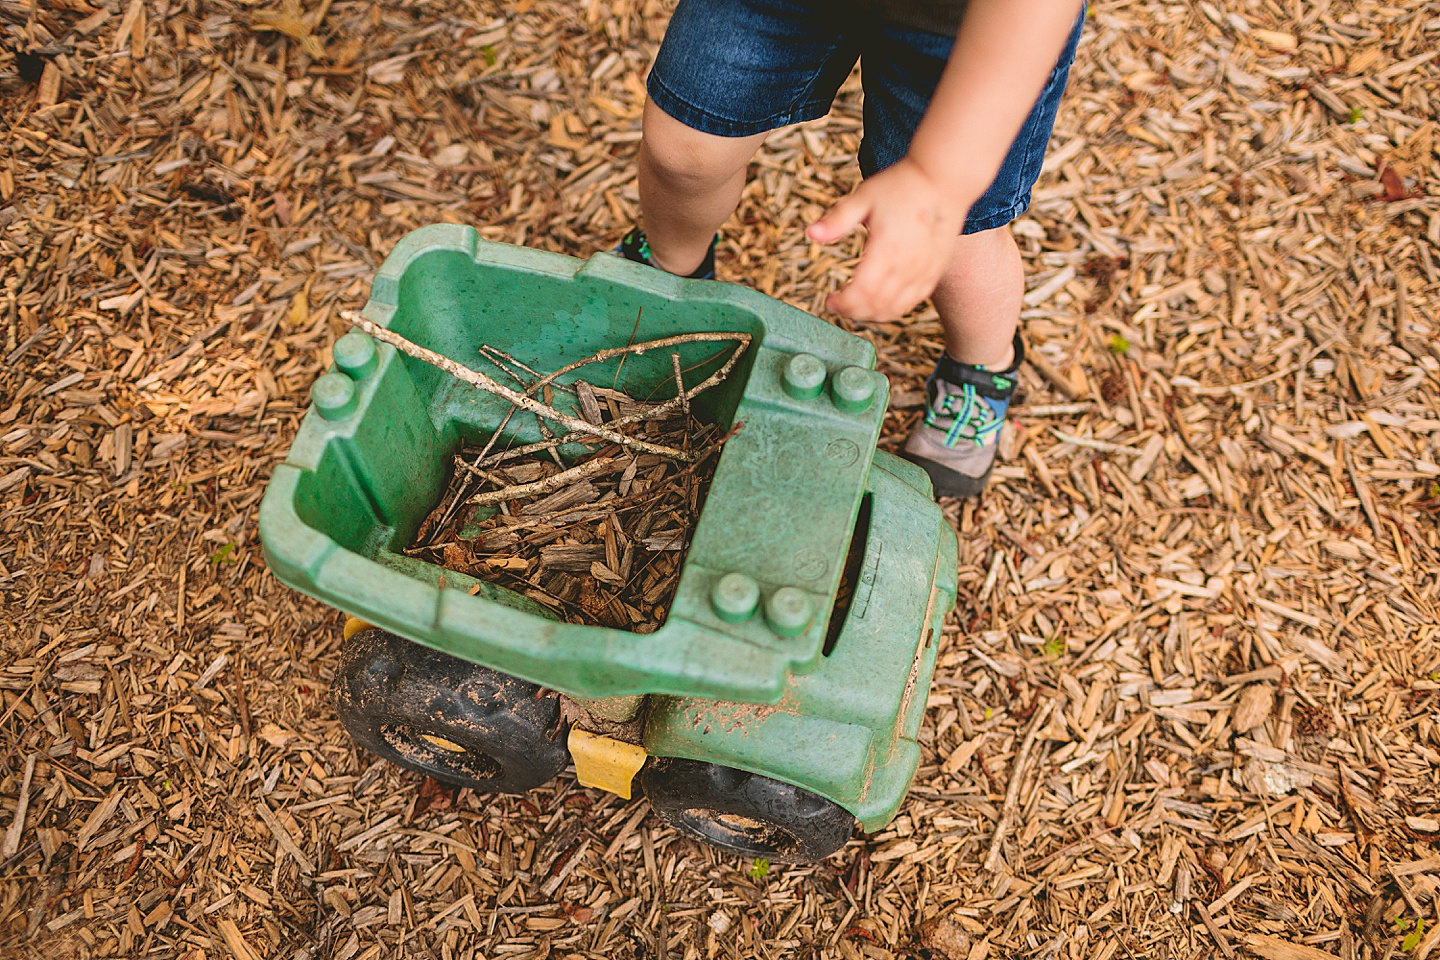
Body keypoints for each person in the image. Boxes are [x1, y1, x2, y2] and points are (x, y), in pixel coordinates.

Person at [614, 0, 1086, 498]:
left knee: (958, 238)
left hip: (975, 28)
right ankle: (666, 267)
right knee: (683, 153)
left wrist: (938, 181)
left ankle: (982, 372)